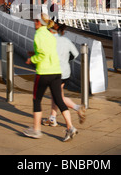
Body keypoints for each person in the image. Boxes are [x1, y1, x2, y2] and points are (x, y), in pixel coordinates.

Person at [23, 13, 77, 142]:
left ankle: (36, 130)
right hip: (56, 72)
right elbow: (49, 52)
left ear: (39, 22)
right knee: (59, 100)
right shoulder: (51, 35)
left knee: (37, 100)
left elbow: (42, 54)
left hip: (44, 73)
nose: (33, 22)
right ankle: (70, 128)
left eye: (35, 20)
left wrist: (32, 59)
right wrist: (35, 53)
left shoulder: (39, 35)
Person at [42, 22, 86, 127]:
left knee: (58, 97)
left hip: (54, 72)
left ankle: (77, 109)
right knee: (56, 94)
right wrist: (66, 60)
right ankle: (52, 118)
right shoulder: (66, 41)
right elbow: (75, 54)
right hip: (65, 73)